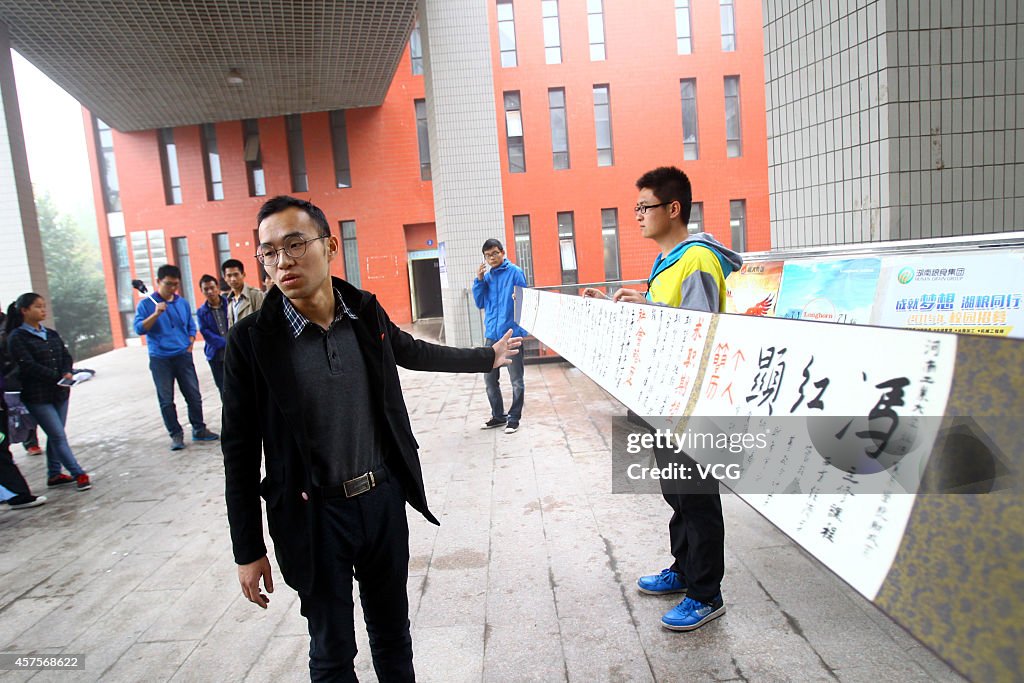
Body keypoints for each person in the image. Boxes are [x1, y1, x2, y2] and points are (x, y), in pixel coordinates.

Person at [223, 196, 522, 681]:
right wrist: (247, 548)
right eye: (269, 252)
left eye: (296, 244)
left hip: (381, 501)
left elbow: (413, 350)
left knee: (392, 637)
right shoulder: (251, 341)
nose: (283, 261)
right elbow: (238, 453)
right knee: (332, 651)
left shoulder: (363, 311)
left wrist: (484, 357)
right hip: (312, 516)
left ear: (330, 246)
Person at [584, 166, 742, 632]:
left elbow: (698, 329)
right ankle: (683, 569)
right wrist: (633, 302)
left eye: (643, 207)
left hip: (692, 406)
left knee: (696, 499)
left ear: (673, 209)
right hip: (664, 401)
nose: (636, 216)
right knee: (676, 493)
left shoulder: (697, 260)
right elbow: (664, 318)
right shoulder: (669, 261)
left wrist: (647, 308)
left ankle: (706, 593)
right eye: (635, 208)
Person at [5, 293, 92, 491]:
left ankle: (54, 474)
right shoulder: (17, 337)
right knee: (58, 435)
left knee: (56, 435)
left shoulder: (50, 333)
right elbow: (27, 365)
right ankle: (78, 473)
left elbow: (65, 355)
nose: (43, 310)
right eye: (37, 306)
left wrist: (67, 372)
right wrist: (56, 376)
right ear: (24, 310)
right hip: (37, 396)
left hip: (60, 393)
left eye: (44, 306)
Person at [133, 264, 220, 451]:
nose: (172, 288)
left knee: (194, 395)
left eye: (175, 285)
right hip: (160, 359)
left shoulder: (182, 303)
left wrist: (189, 343)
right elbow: (139, 328)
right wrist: (156, 314)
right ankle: (176, 434)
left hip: (182, 356)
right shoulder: (147, 304)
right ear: (158, 282)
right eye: (168, 284)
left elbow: (190, 325)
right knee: (166, 399)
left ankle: (199, 428)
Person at [472, 239, 528, 434]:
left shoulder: (515, 272)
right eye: (488, 255)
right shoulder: (487, 278)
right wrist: (478, 280)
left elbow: (524, 301)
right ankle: (498, 415)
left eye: (495, 253)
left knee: (516, 380)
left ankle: (514, 418)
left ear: (502, 252)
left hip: (511, 334)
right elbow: (479, 302)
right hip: (492, 337)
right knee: (489, 380)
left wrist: (520, 328)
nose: (492, 258)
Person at [196, 274, 229, 395]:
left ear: (217, 288)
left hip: (233, 353)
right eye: (206, 289)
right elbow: (205, 332)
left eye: (212, 287)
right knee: (223, 389)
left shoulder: (229, 303)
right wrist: (226, 343)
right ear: (201, 291)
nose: (209, 291)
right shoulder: (201, 312)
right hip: (216, 355)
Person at [222, 258, 265, 328]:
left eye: (236, 274)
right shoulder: (230, 299)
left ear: (243, 274)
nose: (233, 279)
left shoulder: (256, 295)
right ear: (225, 278)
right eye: (229, 276)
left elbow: (263, 321)